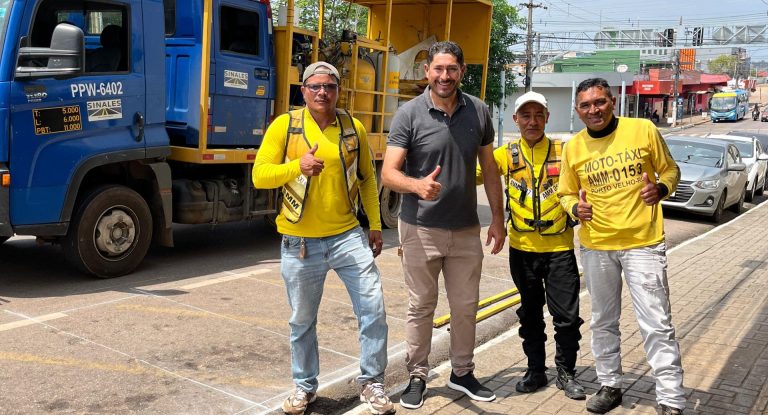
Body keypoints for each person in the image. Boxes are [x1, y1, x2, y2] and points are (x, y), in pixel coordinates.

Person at [252, 62, 394, 415]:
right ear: (303, 90)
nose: (322, 92)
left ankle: (372, 382)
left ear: (337, 90)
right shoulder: (285, 127)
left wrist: (374, 224)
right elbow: (260, 176)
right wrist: (295, 167)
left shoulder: (352, 127)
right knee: (302, 321)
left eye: (329, 86)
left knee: (373, 308)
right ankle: (304, 388)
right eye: (315, 86)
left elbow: (367, 179)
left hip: (347, 236)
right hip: (299, 242)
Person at [381, 40, 506, 410]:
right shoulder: (409, 114)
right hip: (419, 228)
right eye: (438, 69)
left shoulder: (479, 111)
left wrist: (498, 219)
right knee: (421, 306)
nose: (445, 76)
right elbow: (388, 173)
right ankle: (417, 375)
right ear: (427, 72)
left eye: (452, 69)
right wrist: (417, 185)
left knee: (466, 306)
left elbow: (492, 169)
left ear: (462, 72)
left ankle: (462, 372)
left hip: (466, 228)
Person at [558, 78, 685, 415]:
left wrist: (660, 189)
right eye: (585, 105)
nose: (593, 110)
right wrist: (574, 208)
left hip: (642, 243)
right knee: (603, 320)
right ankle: (610, 384)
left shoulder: (642, 130)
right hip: (596, 246)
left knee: (656, 322)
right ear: (578, 110)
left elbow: (671, 170)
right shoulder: (573, 147)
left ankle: (671, 399)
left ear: (612, 101)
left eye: (599, 102)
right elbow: (566, 193)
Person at [475, 91, 585, 400]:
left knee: (566, 316)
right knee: (531, 314)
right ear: (516, 120)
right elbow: (474, 175)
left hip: (559, 251)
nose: (532, 121)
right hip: (522, 251)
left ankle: (566, 372)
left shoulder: (566, 151)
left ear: (548, 118)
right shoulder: (505, 154)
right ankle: (536, 371)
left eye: (539, 115)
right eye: (526, 116)